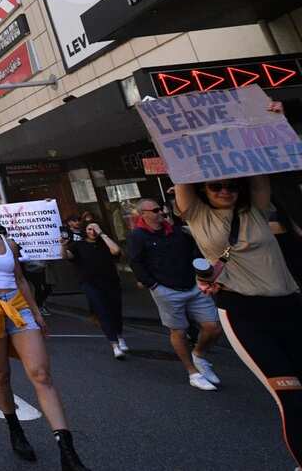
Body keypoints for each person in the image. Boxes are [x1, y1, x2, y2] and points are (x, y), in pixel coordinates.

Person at [0, 195, 90, 470]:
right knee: (0, 373)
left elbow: (20, 279)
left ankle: (67, 451)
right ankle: (15, 429)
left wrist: (36, 312)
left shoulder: (9, 244)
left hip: (17, 307)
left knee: (41, 373)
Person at [175, 174, 302, 466]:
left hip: (290, 308)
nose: (225, 191)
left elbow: (257, 172)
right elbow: (182, 171)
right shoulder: (197, 214)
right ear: (202, 190)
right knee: (293, 399)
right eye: (216, 186)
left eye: (231, 185)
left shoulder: (254, 208)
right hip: (245, 313)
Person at [126, 198, 222, 390]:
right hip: (166, 290)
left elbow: (194, 251)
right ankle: (192, 373)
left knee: (213, 327)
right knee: (178, 331)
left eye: (160, 209)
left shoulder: (177, 231)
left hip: (192, 286)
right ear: (143, 214)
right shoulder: (138, 236)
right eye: (154, 210)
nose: (159, 212)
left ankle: (199, 355)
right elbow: (136, 262)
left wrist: (202, 274)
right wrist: (153, 285)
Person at [62, 222, 125, 359]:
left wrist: (102, 234)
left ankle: (119, 336)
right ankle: (114, 344)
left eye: (95, 228)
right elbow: (67, 256)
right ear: (85, 231)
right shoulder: (79, 245)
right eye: (90, 228)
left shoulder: (104, 244)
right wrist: (62, 245)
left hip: (111, 282)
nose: (93, 231)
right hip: (90, 284)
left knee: (115, 310)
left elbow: (116, 251)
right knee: (102, 312)